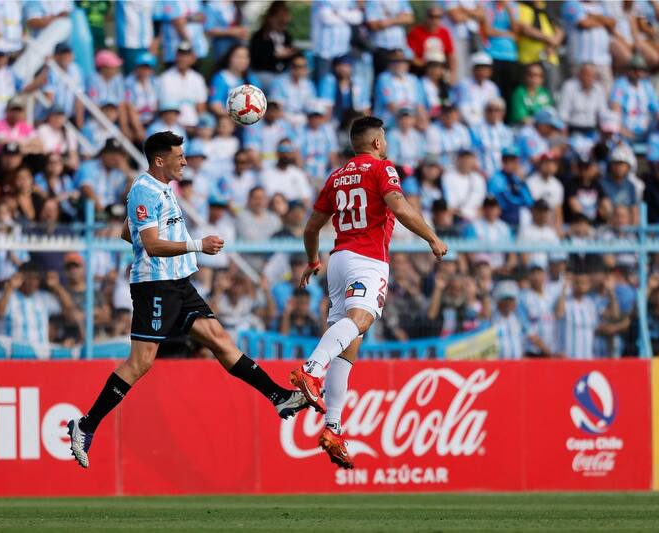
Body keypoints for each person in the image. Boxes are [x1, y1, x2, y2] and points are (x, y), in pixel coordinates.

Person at [67, 131, 309, 469]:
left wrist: (146, 237)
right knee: (141, 362)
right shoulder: (144, 189)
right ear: (159, 160)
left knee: (218, 339)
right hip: (156, 286)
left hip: (180, 283)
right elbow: (150, 244)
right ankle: (86, 425)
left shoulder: (164, 188)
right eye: (179, 156)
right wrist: (198, 245)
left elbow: (129, 232)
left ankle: (279, 397)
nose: (184, 161)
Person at [292, 116, 447, 468]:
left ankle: (333, 426)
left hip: (338, 259)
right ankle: (311, 369)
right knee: (360, 320)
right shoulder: (382, 169)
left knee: (347, 344)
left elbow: (312, 226)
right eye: (386, 139)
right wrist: (432, 237)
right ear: (377, 142)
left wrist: (312, 259)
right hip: (367, 260)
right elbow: (399, 206)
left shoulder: (335, 177)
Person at [249, 1, 296, 88]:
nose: (283, 24)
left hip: (282, 73)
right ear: (270, 18)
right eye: (279, 20)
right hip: (264, 72)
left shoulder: (286, 36)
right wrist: (274, 56)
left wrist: (289, 53)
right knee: (278, 85)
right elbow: (256, 59)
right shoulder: (260, 36)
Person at [364, 0, 414, 76]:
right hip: (380, 48)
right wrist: (398, 18)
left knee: (400, 78)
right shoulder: (372, 1)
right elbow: (373, 25)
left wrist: (388, 21)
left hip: (399, 47)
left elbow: (409, 18)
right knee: (382, 78)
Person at [492, 280, 524, 360]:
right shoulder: (491, 321)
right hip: (498, 367)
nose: (509, 303)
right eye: (505, 299)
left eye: (511, 299)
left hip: (517, 366)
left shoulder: (518, 319)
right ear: (498, 301)